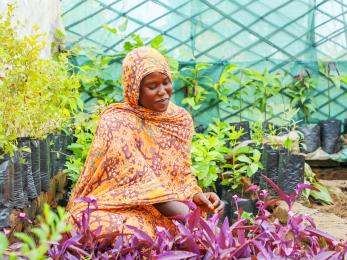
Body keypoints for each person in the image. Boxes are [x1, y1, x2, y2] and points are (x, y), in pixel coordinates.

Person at [66, 47, 224, 238]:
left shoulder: (179, 120)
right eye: (152, 86)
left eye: (166, 83)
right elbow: (141, 182)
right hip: (114, 207)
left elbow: (182, 173)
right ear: (134, 90)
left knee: (158, 232)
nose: (162, 92)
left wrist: (196, 197)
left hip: (165, 211)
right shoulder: (117, 122)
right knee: (108, 227)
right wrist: (195, 221)